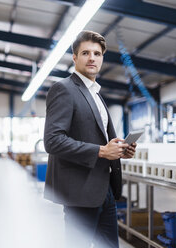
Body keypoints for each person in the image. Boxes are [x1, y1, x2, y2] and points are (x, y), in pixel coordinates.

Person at [43, 30, 137, 248]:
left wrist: (120, 149)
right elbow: (53, 140)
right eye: (85, 52)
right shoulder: (64, 89)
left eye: (97, 53)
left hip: (105, 189)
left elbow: (97, 137)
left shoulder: (95, 93)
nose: (92, 57)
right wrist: (101, 152)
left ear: (102, 58)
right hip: (80, 191)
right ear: (75, 58)